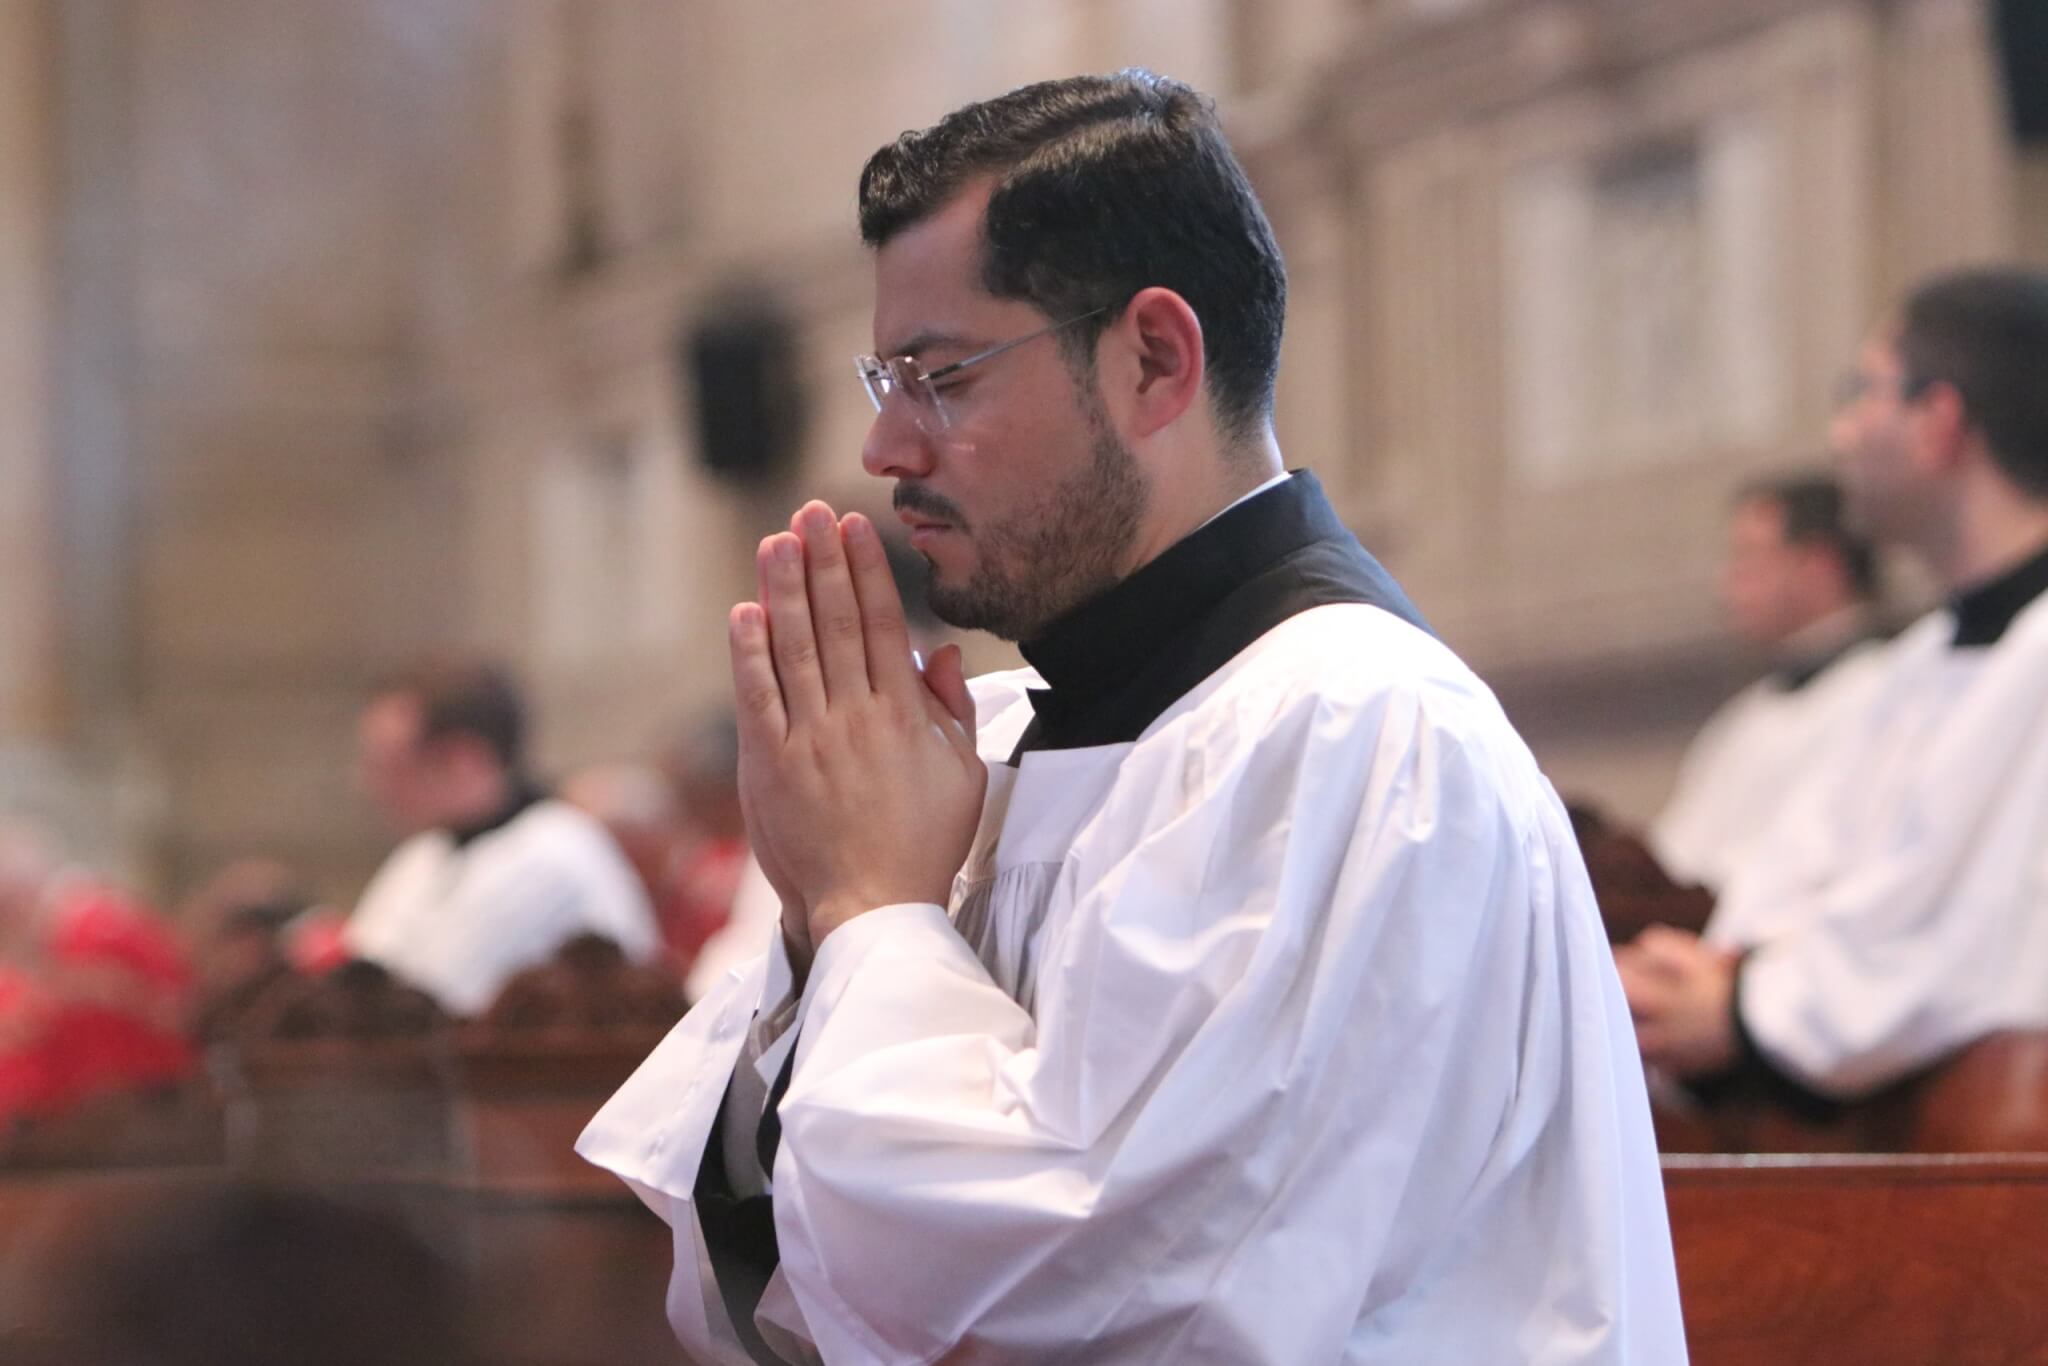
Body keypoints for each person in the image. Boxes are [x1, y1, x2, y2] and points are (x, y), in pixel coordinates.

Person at [580, 71, 1683, 1364]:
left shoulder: (1356, 735)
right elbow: (745, 1285)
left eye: (941, 379)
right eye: (884, 378)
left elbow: (1122, 1299)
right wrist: (825, 917)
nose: (884, 450)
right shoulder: (972, 746)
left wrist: (880, 916)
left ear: (1155, 358)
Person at [1621, 267, 2048, 1102]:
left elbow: (1972, 947)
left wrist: (1742, 1007)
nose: (1843, 432)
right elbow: (1806, 874)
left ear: (1939, 422)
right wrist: (1717, 975)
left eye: (1863, 393)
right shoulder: (1922, 660)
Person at [341, 658, 658, 1017]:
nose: (371, 785)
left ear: (463, 759)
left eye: (390, 765)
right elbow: (359, 987)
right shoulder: (421, 855)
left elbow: (439, 1002)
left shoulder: (556, 853)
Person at [1647, 473, 1887, 892]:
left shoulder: (1885, 694)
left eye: (1749, 557)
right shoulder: (1745, 717)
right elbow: (1675, 857)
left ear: (1818, 566)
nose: (1729, 582)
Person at [0, 826, 195, 1126]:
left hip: (120, 1110)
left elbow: (170, 1012)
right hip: (67, 1115)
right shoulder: (61, 937)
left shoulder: (97, 931)